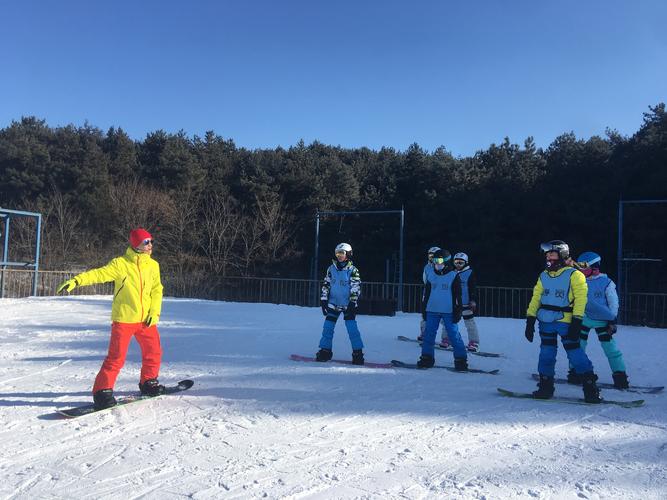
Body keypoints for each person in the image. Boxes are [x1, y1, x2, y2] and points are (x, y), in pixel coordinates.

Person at [56, 228, 165, 410]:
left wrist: (154, 313)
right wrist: (76, 281)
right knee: (116, 358)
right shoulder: (120, 264)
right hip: (124, 319)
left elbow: (157, 290)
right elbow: (98, 274)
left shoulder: (153, 266)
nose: (150, 245)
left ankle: (149, 382)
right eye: (146, 242)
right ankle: (102, 391)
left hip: (146, 320)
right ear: (136, 244)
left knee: (153, 352)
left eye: (151, 241)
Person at [524, 240, 602, 403]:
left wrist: (577, 320)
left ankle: (590, 387)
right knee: (546, 354)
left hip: (566, 322)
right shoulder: (544, 275)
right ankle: (545, 386)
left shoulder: (575, 275)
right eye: (547, 255)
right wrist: (530, 319)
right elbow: (536, 297)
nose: (548, 258)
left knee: (575, 354)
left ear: (562, 255)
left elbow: (581, 298)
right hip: (546, 321)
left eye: (552, 254)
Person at [569, 251, 629, 389]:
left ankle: (620, 376)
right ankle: (575, 372)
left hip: (602, 320)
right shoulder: (578, 281)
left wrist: (612, 319)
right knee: (577, 346)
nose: (580, 269)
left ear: (594, 267)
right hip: (583, 319)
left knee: (611, 349)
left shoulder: (606, 282)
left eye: (583, 266)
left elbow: (613, 302)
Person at [316, 243, 365, 365]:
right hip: (333, 303)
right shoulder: (331, 269)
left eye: (342, 253)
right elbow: (326, 284)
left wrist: (353, 302)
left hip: (347, 304)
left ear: (348, 254)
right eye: (337, 254)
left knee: (352, 329)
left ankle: (357, 353)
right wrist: (323, 299)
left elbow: (356, 287)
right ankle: (325, 350)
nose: (339, 256)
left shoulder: (353, 270)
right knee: (328, 328)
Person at [419, 249, 467, 370]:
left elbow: (457, 295)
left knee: (454, 335)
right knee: (428, 335)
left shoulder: (453, 275)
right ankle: (426, 358)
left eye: (439, 261)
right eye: (434, 261)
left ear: (446, 261)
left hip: (448, 311)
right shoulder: (431, 274)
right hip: (432, 310)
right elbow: (427, 293)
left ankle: (460, 360)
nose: (437, 263)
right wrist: (424, 309)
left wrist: (458, 310)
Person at [440, 252, 481, 352]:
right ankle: (446, 339)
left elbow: (472, 288)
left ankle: (474, 342)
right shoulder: (451, 273)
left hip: (466, 303)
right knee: (448, 322)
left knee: (469, 323)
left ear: (466, 263)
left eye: (461, 263)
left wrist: (473, 300)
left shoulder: (469, 273)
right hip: (453, 303)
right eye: (456, 262)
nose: (458, 265)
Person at [417, 246, 444, 342]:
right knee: (426, 314)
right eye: (430, 255)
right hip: (428, 293)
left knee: (444, 315)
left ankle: (446, 338)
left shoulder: (443, 266)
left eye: (434, 255)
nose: (432, 257)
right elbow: (425, 280)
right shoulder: (427, 266)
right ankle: (424, 333)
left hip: (440, 294)